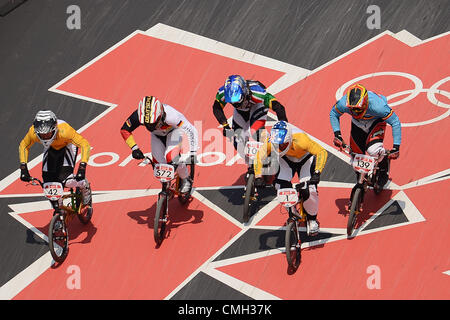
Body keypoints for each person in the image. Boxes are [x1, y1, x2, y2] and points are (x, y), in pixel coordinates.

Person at [254, 121, 328, 235]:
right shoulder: (271, 141)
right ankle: (291, 209)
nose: (278, 146)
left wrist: (317, 173)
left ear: (289, 140)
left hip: (305, 158)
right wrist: (258, 177)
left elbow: (322, 152)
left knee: (310, 189)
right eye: (276, 144)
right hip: (286, 159)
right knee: (279, 185)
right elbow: (259, 156)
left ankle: (313, 219)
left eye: (282, 144)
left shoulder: (302, 140)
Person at [212, 75, 288, 175]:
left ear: (244, 92)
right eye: (232, 102)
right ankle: (252, 164)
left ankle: (272, 150)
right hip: (241, 113)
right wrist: (225, 125)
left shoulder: (258, 93)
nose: (235, 104)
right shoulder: (222, 93)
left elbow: (279, 108)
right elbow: (216, 108)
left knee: (254, 132)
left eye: (238, 101)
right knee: (237, 141)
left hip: (257, 106)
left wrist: (283, 127)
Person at [329, 83, 401, 190]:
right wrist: (337, 135)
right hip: (357, 124)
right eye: (352, 109)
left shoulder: (379, 106)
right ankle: (360, 179)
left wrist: (396, 147)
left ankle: (383, 164)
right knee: (355, 156)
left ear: (366, 103)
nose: (355, 112)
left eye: (358, 109)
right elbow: (333, 113)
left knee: (373, 151)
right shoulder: (344, 104)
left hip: (376, 122)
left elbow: (395, 122)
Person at [120, 95, 198, 193]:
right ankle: (166, 184)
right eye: (146, 124)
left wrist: (192, 152)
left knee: (172, 158)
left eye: (153, 123)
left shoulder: (172, 116)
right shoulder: (138, 116)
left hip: (174, 133)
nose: (150, 126)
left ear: (160, 114)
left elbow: (191, 130)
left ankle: (186, 178)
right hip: (156, 136)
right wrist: (134, 148)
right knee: (158, 165)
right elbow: (124, 130)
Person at [19, 110, 92, 206]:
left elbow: (84, 144)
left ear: (54, 129)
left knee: (67, 180)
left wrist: (82, 167)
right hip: (50, 148)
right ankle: (59, 207)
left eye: (48, 134)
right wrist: (23, 168)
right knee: (48, 183)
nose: (45, 137)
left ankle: (83, 185)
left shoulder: (65, 131)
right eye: (42, 135)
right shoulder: (33, 132)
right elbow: (24, 146)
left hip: (67, 145)